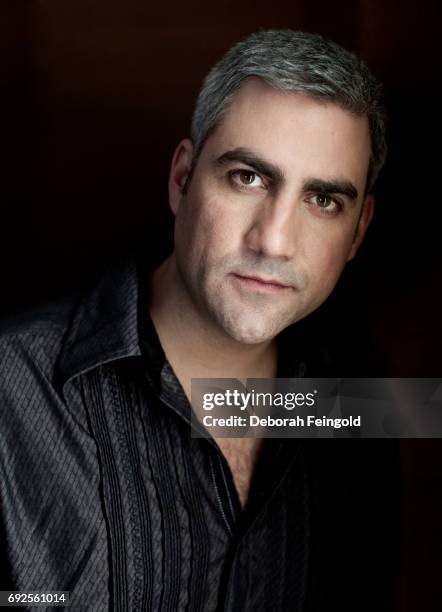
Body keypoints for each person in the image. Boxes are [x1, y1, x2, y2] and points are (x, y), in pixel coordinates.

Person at [0, 30, 393, 611]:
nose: (275, 241)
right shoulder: (11, 384)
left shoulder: (365, 408)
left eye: (323, 201)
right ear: (182, 179)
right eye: (247, 177)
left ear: (358, 231)